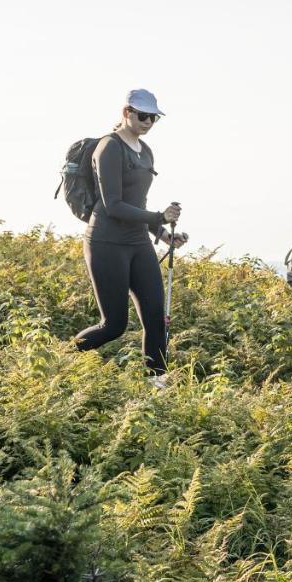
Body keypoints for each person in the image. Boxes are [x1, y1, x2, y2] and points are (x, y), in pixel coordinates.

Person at [73, 89, 187, 381]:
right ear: (127, 113)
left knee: (156, 319)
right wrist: (158, 217)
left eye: (154, 118)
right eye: (143, 115)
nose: (149, 122)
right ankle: (63, 361)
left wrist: (162, 233)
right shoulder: (109, 148)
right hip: (106, 242)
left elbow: (139, 205)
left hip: (138, 243)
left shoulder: (145, 151)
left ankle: (157, 385)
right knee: (113, 325)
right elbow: (113, 205)